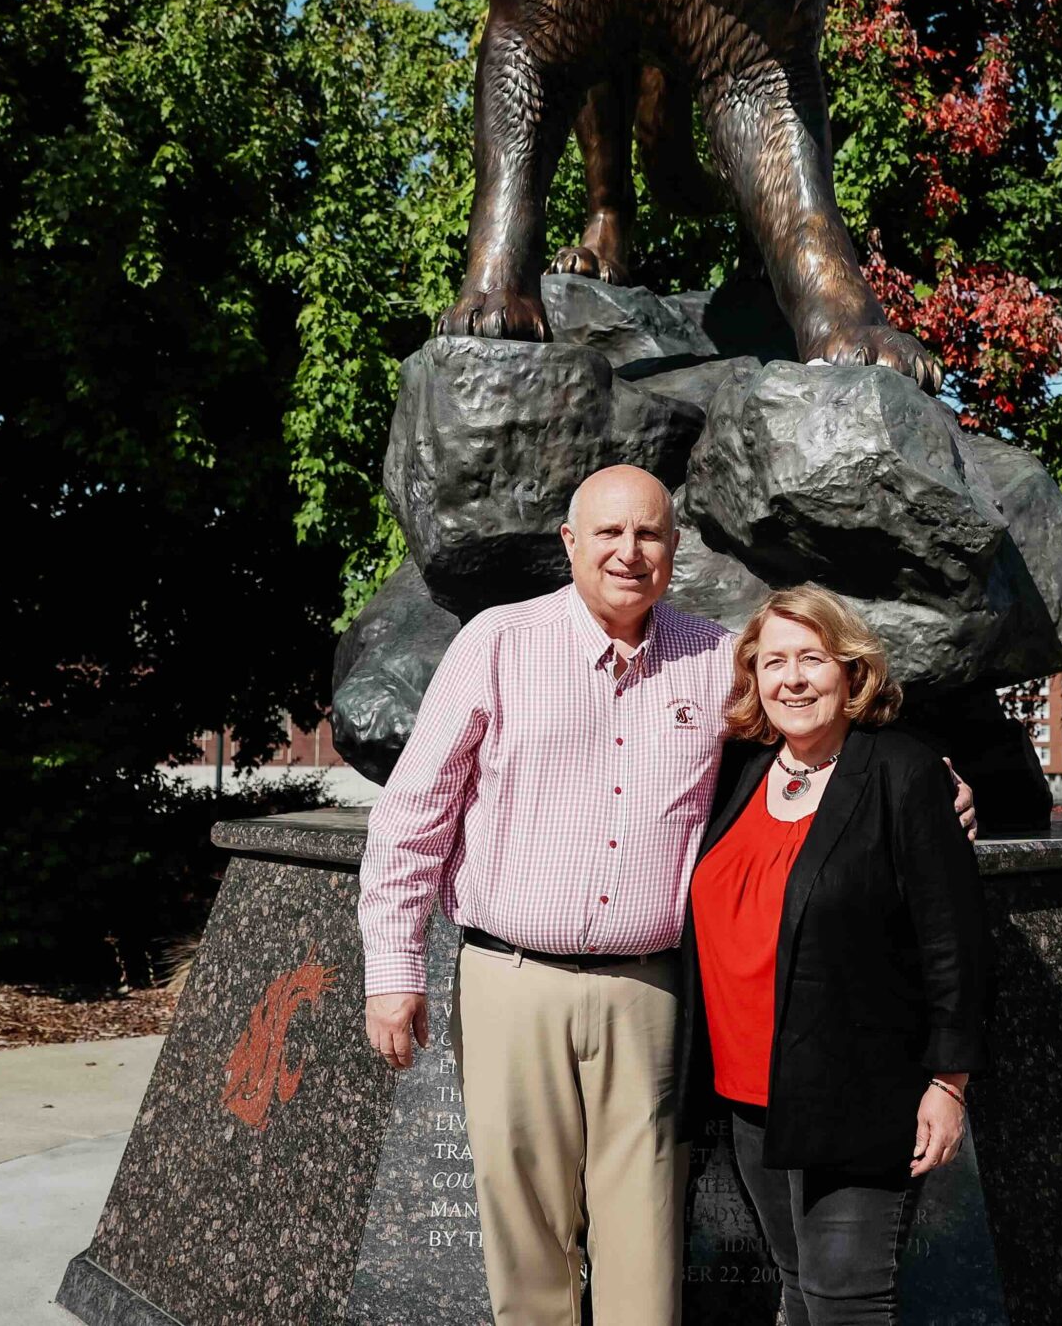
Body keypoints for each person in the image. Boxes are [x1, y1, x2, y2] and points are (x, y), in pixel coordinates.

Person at [357, 466, 972, 1326]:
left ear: (673, 550)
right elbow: (412, 813)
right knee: (526, 1243)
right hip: (511, 980)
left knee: (646, 1248)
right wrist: (393, 970)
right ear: (570, 543)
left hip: (651, 993)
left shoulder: (714, 660)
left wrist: (932, 780)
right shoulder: (497, 643)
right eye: (608, 532)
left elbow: (814, 726)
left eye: (649, 534)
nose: (628, 551)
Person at [685, 585, 990, 1326]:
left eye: (812, 659)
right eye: (773, 661)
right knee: (796, 1284)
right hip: (751, 1097)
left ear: (852, 671)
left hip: (860, 1095)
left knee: (845, 1301)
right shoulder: (743, 772)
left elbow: (954, 940)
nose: (792, 678)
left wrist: (948, 1084)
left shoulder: (903, 772)